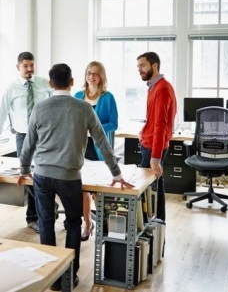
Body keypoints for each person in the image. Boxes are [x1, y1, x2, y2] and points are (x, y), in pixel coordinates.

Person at [17, 63, 134, 291]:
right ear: (72, 82)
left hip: (42, 174)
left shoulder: (39, 108)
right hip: (69, 176)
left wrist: (23, 170)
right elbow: (102, 140)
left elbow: (28, 145)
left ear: (50, 84)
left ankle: (51, 277)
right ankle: (69, 275)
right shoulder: (83, 108)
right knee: (73, 223)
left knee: (46, 222)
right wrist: (116, 173)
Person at [0, 51, 54, 233]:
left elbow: (56, 103)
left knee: (44, 174)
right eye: (25, 66)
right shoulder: (11, 88)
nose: (29, 69)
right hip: (23, 137)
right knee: (28, 177)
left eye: (32, 65)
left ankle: (45, 210)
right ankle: (34, 217)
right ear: (18, 67)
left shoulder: (44, 83)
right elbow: (2, 114)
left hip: (44, 135)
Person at [74, 61, 118, 241]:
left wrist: (93, 128)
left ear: (101, 76)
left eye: (95, 73)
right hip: (80, 147)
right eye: (88, 73)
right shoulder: (77, 95)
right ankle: (87, 223)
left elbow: (114, 123)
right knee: (83, 188)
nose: (91, 76)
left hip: (98, 148)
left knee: (97, 189)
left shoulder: (108, 97)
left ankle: (104, 224)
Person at [137, 52, 177, 222]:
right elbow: (154, 120)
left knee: (148, 190)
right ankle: (158, 225)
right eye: (138, 66)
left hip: (153, 147)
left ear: (154, 66)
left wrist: (155, 158)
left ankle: (154, 224)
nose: (139, 70)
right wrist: (144, 130)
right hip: (150, 143)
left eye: (142, 65)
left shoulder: (161, 89)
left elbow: (160, 124)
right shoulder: (154, 87)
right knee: (156, 186)